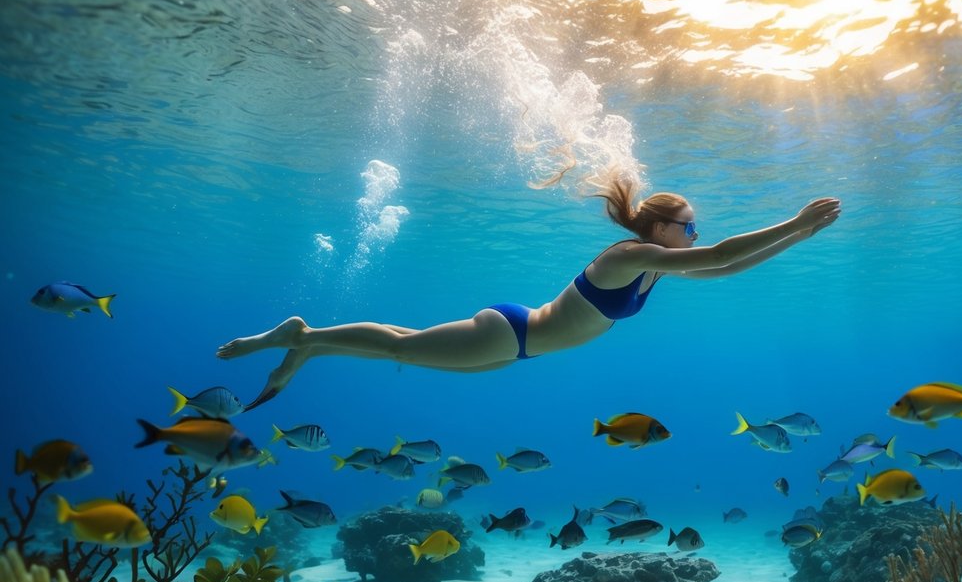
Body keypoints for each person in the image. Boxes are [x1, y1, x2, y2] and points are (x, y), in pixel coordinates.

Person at [217, 172, 841, 410]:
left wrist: (799, 241)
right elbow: (724, 253)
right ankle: (302, 334)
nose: (697, 234)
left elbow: (726, 269)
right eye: (690, 226)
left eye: (695, 228)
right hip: (512, 332)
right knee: (401, 349)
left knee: (403, 346)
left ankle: (312, 347)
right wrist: (797, 220)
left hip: (517, 346)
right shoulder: (632, 255)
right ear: (659, 228)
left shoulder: (659, 265)